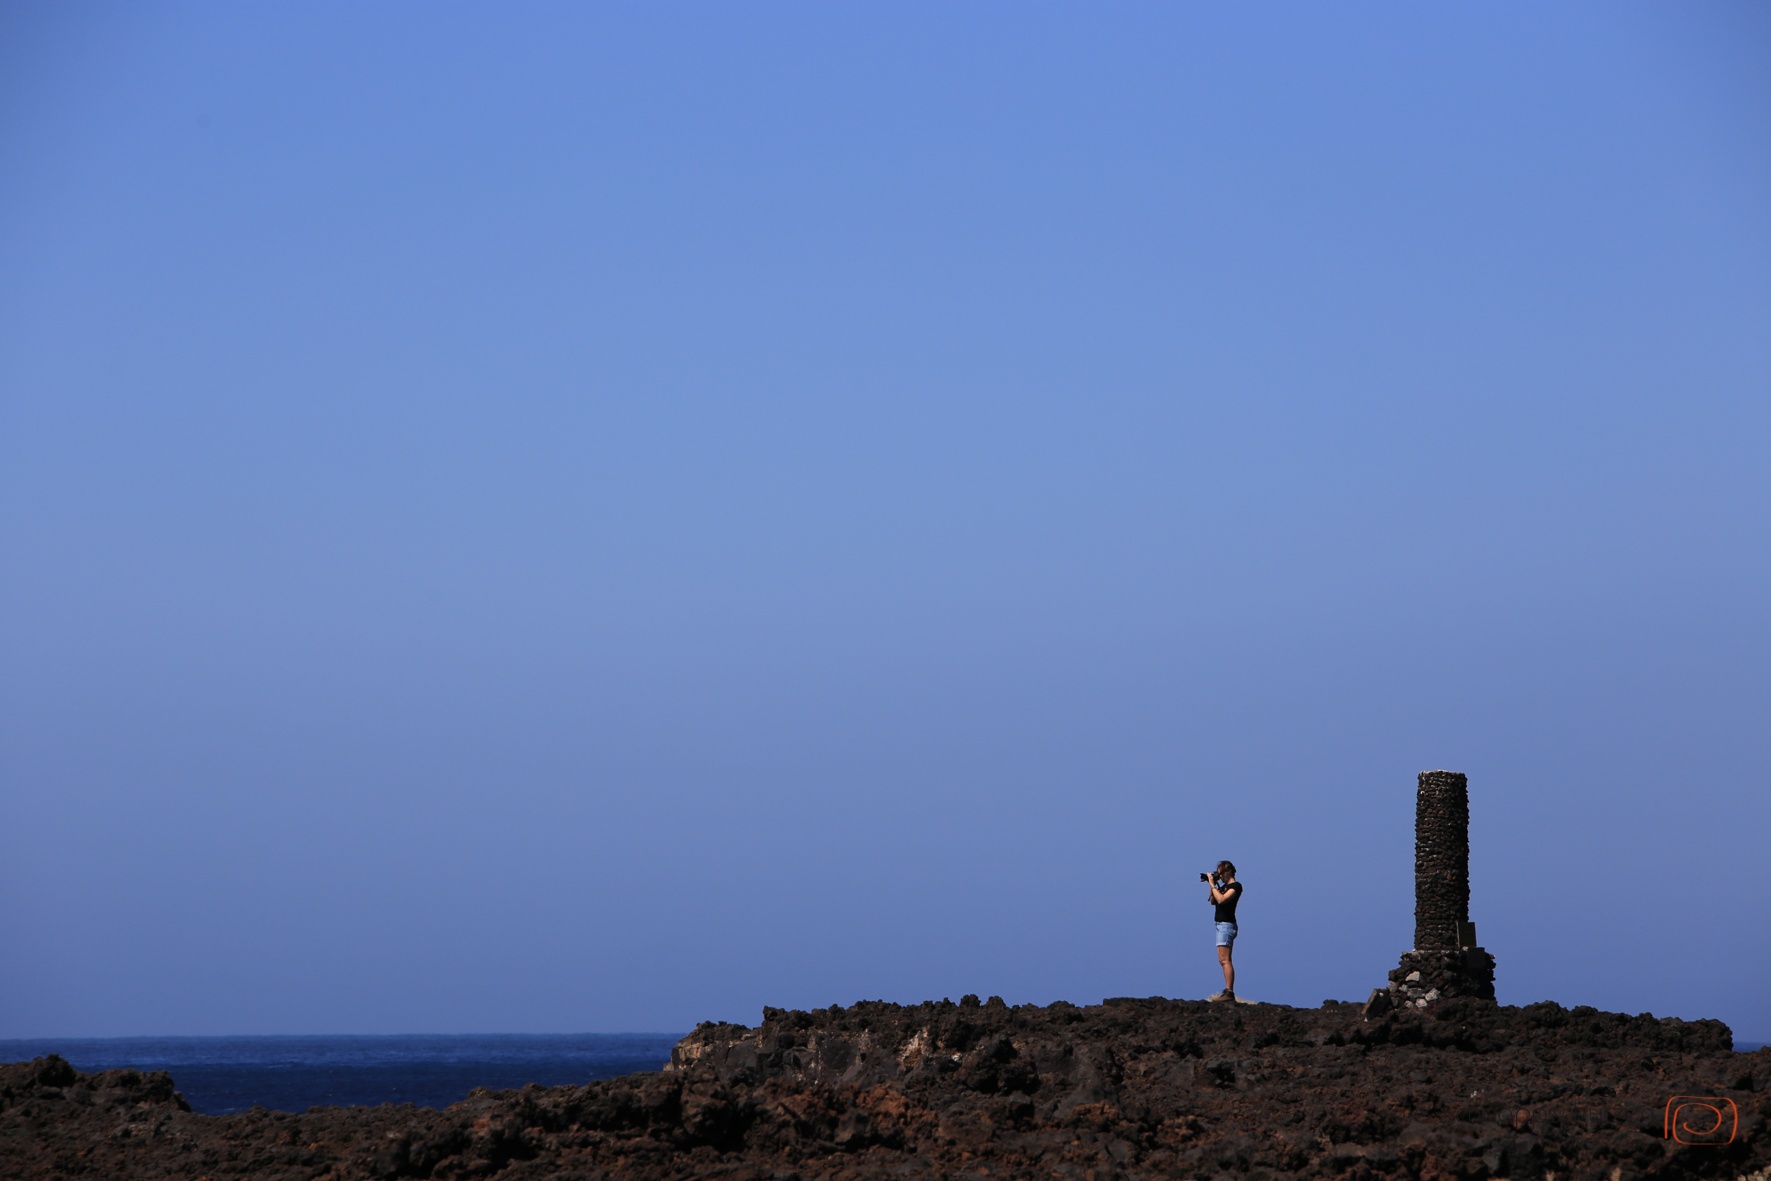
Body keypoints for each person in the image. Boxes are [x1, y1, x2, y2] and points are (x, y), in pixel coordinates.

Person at [1205, 860, 1241, 1002]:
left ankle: (1229, 992)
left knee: (1225, 959)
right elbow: (1213, 901)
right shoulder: (1224, 886)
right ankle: (1227, 991)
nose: (1220, 876)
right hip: (1220, 924)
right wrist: (1211, 885)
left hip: (1227, 925)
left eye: (1221, 873)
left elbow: (1222, 900)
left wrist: (1214, 884)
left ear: (1228, 872)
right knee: (1222, 959)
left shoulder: (1236, 886)